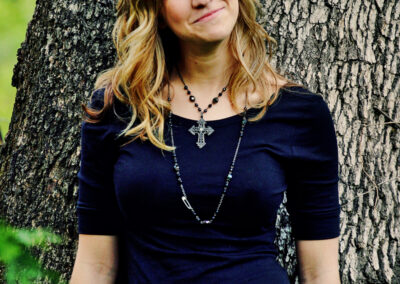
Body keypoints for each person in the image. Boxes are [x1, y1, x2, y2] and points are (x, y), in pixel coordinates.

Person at [70, 0, 341, 283]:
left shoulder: (300, 113)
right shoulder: (119, 109)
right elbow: (95, 267)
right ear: (156, 12)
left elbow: (319, 273)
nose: (202, 0)